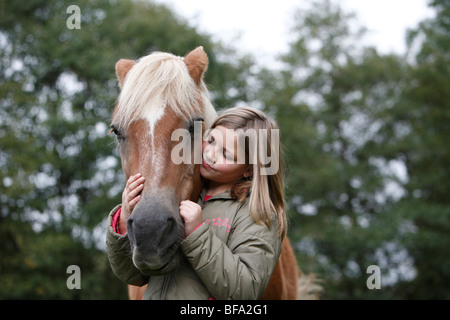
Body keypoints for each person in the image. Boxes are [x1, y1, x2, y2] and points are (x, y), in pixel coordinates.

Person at [106, 106, 287, 299]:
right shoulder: (181, 197)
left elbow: (245, 291)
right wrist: (125, 219)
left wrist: (198, 234)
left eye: (226, 154)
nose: (210, 154)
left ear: (249, 169)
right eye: (210, 141)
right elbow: (132, 275)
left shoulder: (256, 214)